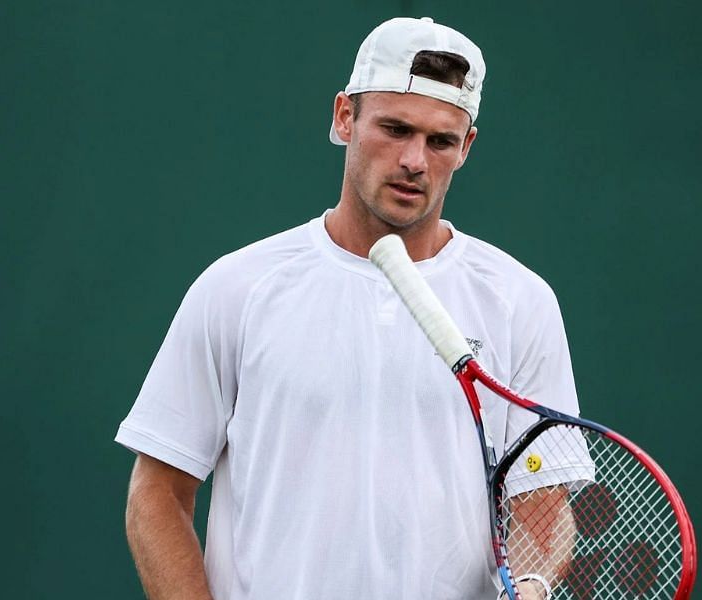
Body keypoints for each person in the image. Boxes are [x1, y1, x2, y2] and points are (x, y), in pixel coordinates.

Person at [116, 16, 580, 600]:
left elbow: (541, 504)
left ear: (466, 147)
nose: (415, 159)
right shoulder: (237, 288)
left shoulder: (520, 301)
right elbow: (156, 494)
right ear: (344, 117)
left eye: (440, 140)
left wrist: (533, 586)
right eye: (395, 128)